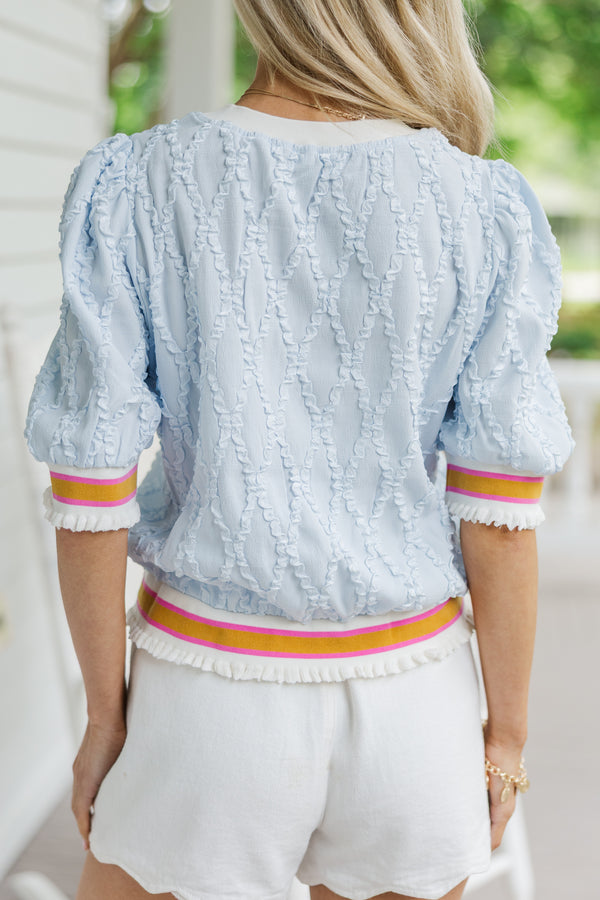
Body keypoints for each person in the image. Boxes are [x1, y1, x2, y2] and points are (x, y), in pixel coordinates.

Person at [24, 1, 574, 898]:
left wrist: (105, 719)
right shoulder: (483, 205)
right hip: (413, 699)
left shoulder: (138, 183)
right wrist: (505, 737)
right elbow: (501, 512)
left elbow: (90, 490)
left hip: (207, 693)